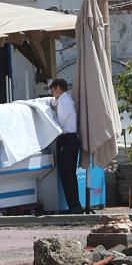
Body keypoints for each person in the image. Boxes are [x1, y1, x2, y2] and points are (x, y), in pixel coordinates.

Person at [50, 78, 80, 213]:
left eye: (53, 90)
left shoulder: (63, 102)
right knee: (71, 174)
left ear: (58, 88)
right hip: (73, 139)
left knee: (66, 174)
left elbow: (59, 122)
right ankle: (75, 204)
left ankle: (73, 206)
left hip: (67, 139)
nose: (52, 93)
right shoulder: (68, 100)